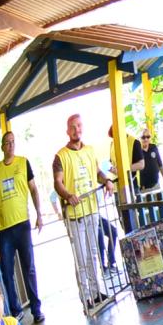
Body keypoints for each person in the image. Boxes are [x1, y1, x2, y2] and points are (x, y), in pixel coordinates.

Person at [52, 113, 114, 304]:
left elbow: (97, 173)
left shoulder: (90, 150)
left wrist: (107, 181)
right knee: (81, 257)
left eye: (78, 126)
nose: (76, 130)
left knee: (94, 253)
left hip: (92, 210)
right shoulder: (60, 156)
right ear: (67, 131)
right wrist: (68, 195)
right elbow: (58, 182)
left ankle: (97, 292)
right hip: (75, 214)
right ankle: (86, 296)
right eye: (72, 127)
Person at [0, 130, 45, 323]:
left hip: (22, 224)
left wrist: (39, 214)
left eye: (13, 141)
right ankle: (15, 311)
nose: (10, 145)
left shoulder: (23, 163)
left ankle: (37, 310)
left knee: (29, 267)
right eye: (7, 142)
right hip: (4, 230)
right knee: (6, 271)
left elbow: (34, 189)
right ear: (2, 146)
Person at [129, 130, 163, 196]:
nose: (146, 139)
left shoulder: (154, 147)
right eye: (143, 137)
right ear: (139, 138)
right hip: (144, 190)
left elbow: (160, 165)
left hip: (157, 186)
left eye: (148, 137)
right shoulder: (137, 152)